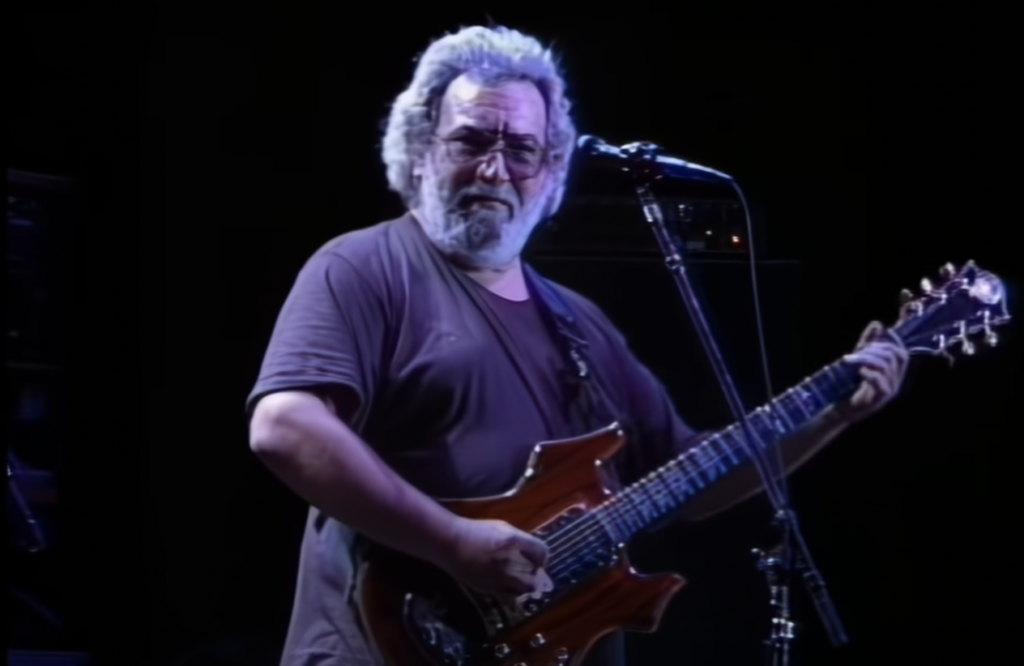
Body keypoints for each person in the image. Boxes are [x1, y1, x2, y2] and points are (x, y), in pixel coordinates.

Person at [246, 25, 909, 666]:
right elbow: (284, 426)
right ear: (421, 152)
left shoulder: (579, 322)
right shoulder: (363, 267)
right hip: (384, 641)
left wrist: (834, 412)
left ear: (552, 169)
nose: (495, 168)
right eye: (471, 141)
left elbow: (691, 476)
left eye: (521, 149)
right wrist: (454, 544)